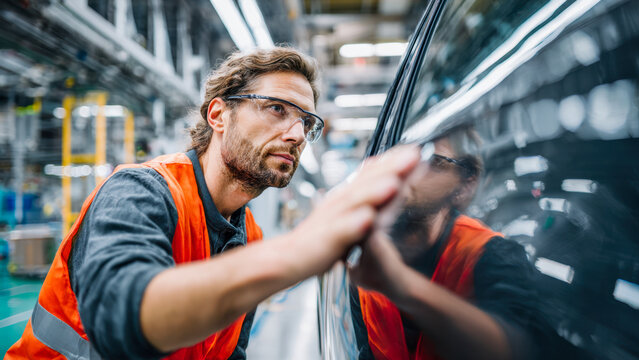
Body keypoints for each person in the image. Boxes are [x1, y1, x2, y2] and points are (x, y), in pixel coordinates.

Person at [6, 47, 421, 359]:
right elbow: (122, 319)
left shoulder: (249, 236)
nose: (296, 134)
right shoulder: (139, 191)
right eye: (277, 109)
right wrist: (300, 250)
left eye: (306, 122)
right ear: (218, 115)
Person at [349, 128, 541, 360]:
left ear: (465, 184)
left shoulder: (493, 256)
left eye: (433, 161)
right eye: (404, 159)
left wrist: (403, 286)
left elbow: (519, 350)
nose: (409, 172)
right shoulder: (365, 262)